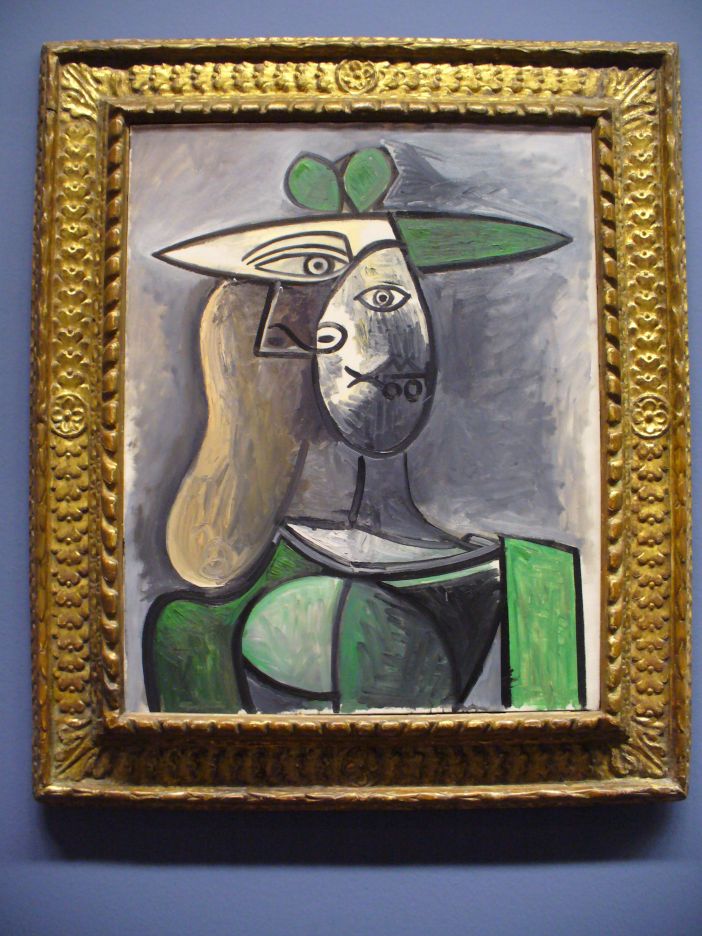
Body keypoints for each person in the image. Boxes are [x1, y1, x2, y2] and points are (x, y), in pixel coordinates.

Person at [143, 147, 584, 714]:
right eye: (375, 302)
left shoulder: (539, 586)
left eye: (393, 299)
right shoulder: (196, 631)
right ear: (297, 344)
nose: (389, 349)